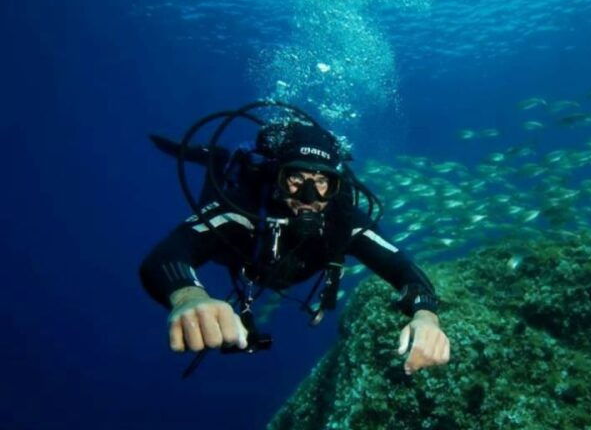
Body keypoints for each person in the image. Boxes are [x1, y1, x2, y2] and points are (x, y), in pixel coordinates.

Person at [139, 116, 450, 376]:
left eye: (323, 182)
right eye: (296, 179)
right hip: (233, 252)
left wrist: (426, 316)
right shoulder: (245, 208)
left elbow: (406, 271)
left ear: (336, 185)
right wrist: (188, 296)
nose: (309, 195)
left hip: (271, 266)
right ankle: (217, 160)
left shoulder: (344, 222)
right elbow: (167, 254)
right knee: (213, 201)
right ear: (277, 177)